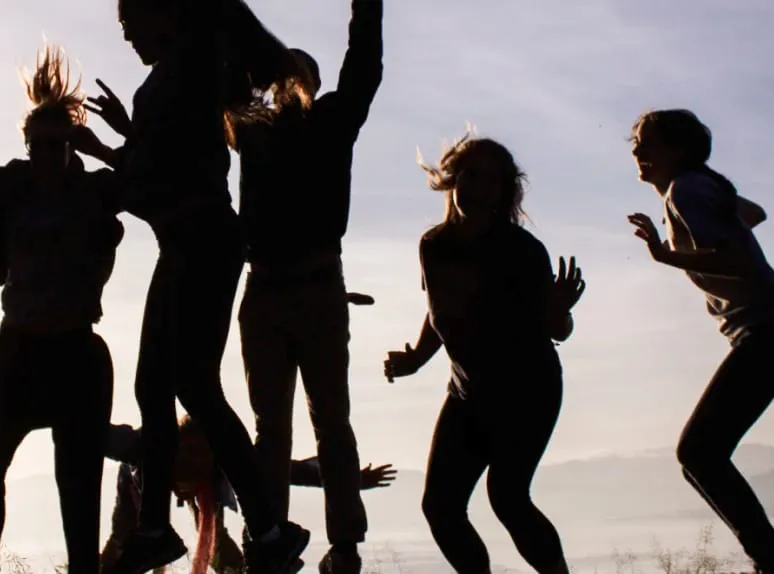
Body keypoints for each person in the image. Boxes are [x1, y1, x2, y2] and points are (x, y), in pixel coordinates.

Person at [81, 0, 314, 571]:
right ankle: (166, 527)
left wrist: (112, 166)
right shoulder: (167, 80)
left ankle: (264, 528)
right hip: (185, 241)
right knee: (159, 388)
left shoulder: (194, 58)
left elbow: (153, 175)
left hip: (201, 239)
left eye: (131, 21)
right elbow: (157, 167)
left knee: (191, 386)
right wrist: (120, 147)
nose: (128, 35)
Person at [0, 44, 127, 574]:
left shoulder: (95, 190)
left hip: (77, 352)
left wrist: (106, 147)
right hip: (19, 349)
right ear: (27, 144)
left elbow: (154, 180)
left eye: (59, 146)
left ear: (70, 146)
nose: (48, 155)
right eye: (39, 145)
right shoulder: (9, 183)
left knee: (79, 491)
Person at [225, 1, 383, 571]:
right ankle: (273, 537)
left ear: (312, 85)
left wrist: (367, 10)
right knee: (279, 427)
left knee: (328, 420)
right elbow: (226, 73)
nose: (288, 83)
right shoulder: (253, 129)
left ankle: (341, 542)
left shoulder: (330, 123)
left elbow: (364, 67)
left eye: (299, 74)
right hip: (269, 289)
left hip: (309, 287)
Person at [382, 132, 583, 574]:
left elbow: (558, 331)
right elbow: (440, 309)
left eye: (492, 180)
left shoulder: (522, 250)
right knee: (440, 507)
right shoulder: (433, 245)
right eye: (471, 175)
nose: (478, 187)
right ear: (453, 177)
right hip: (468, 394)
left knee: (508, 497)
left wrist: (558, 309)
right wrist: (415, 357)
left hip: (528, 391)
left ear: (504, 190)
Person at [623, 109, 774, 574]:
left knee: (698, 453)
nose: (637, 151)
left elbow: (737, 261)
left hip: (770, 330)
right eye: (635, 143)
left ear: (679, 150)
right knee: (702, 454)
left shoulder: (685, 190)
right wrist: (719, 218)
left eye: (647, 143)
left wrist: (667, 255)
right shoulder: (698, 187)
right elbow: (755, 214)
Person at [101, 418, 398, 574]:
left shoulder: (225, 460)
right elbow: (105, 436)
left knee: (218, 548)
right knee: (120, 544)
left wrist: (350, 479)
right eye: (187, 454)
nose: (193, 462)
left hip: (207, 491)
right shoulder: (145, 448)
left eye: (200, 455)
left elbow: (288, 470)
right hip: (137, 486)